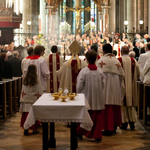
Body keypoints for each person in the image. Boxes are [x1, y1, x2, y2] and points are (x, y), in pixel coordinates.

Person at [76, 51, 105, 142]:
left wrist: (78, 93)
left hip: (87, 97)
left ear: (87, 60)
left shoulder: (84, 71)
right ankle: (97, 135)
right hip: (98, 97)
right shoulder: (100, 71)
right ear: (96, 59)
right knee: (97, 116)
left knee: (86, 116)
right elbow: (103, 85)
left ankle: (80, 133)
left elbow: (79, 85)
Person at [97, 43, 125, 135]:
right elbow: (121, 76)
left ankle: (106, 127)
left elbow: (97, 76)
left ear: (104, 51)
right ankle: (113, 126)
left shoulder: (100, 60)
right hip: (115, 87)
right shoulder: (116, 61)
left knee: (106, 105)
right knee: (114, 105)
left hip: (104, 87)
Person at [118, 45, 140, 130]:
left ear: (121, 52)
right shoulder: (133, 60)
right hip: (132, 86)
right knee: (131, 104)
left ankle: (124, 123)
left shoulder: (119, 61)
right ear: (128, 52)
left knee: (123, 105)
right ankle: (132, 123)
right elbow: (138, 73)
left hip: (122, 86)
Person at [20, 64, 43, 135]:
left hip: (26, 101)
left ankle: (25, 129)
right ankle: (34, 129)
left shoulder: (25, 78)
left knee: (26, 114)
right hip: (33, 101)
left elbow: (24, 90)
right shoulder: (36, 79)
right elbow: (39, 90)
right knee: (33, 115)